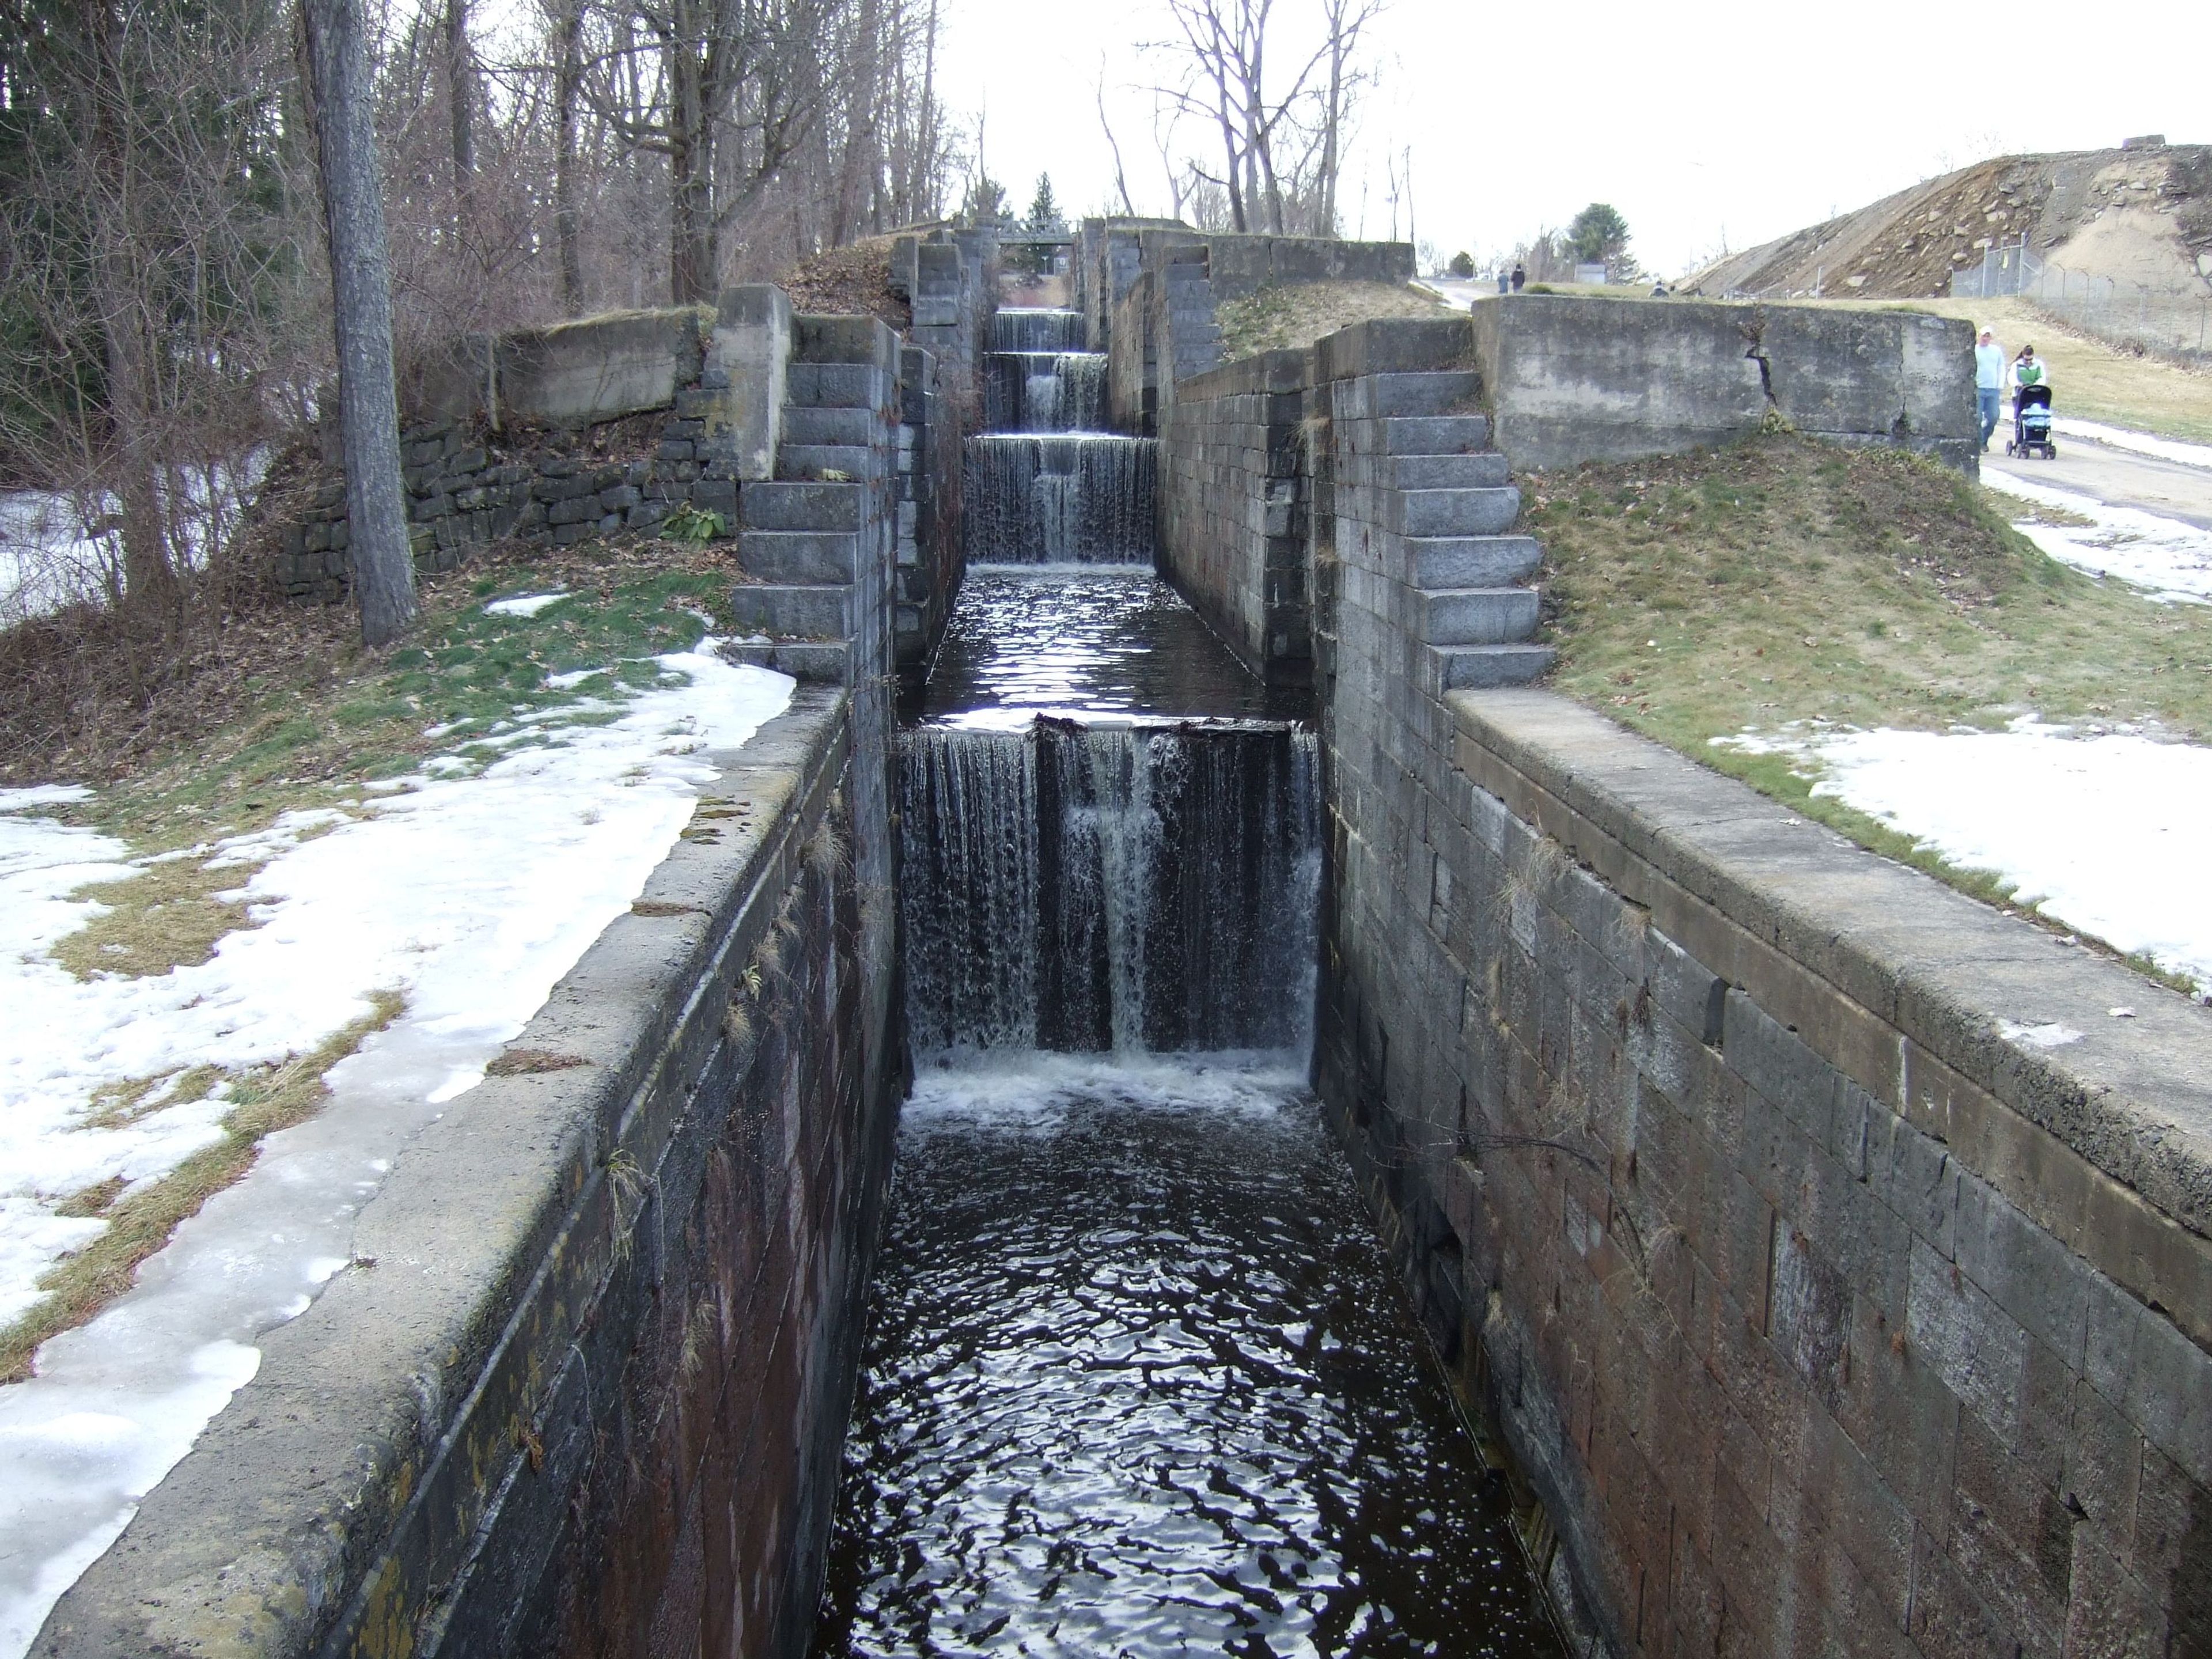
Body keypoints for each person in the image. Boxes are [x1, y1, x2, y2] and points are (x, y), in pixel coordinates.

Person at [1974, 327, 2005, 450]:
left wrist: (2000, 385)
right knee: (1977, 417)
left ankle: (1983, 439)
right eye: (1983, 336)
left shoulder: (1996, 351)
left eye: (1988, 337)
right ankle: (1979, 443)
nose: (1985, 339)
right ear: (1979, 336)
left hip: (1993, 389)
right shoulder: (1975, 350)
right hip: (1979, 388)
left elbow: (2001, 367)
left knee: (1993, 417)